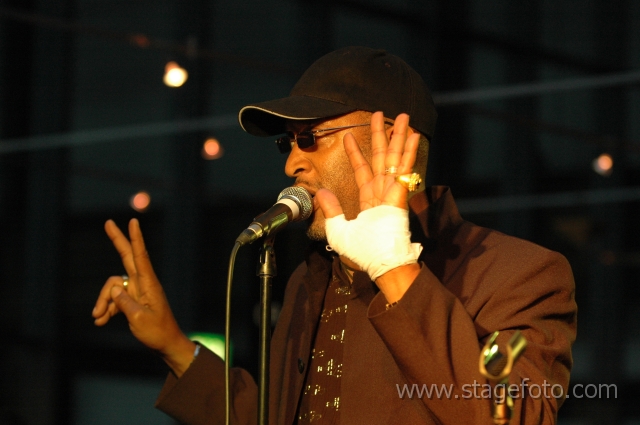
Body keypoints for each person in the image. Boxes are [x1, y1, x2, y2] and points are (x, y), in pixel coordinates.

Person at [92, 46, 577, 425]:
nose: (291, 162)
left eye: (310, 138)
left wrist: (395, 270)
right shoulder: (309, 280)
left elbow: (516, 415)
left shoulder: (519, 273)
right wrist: (175, 346)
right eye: (287, 143)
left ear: (390, 137)